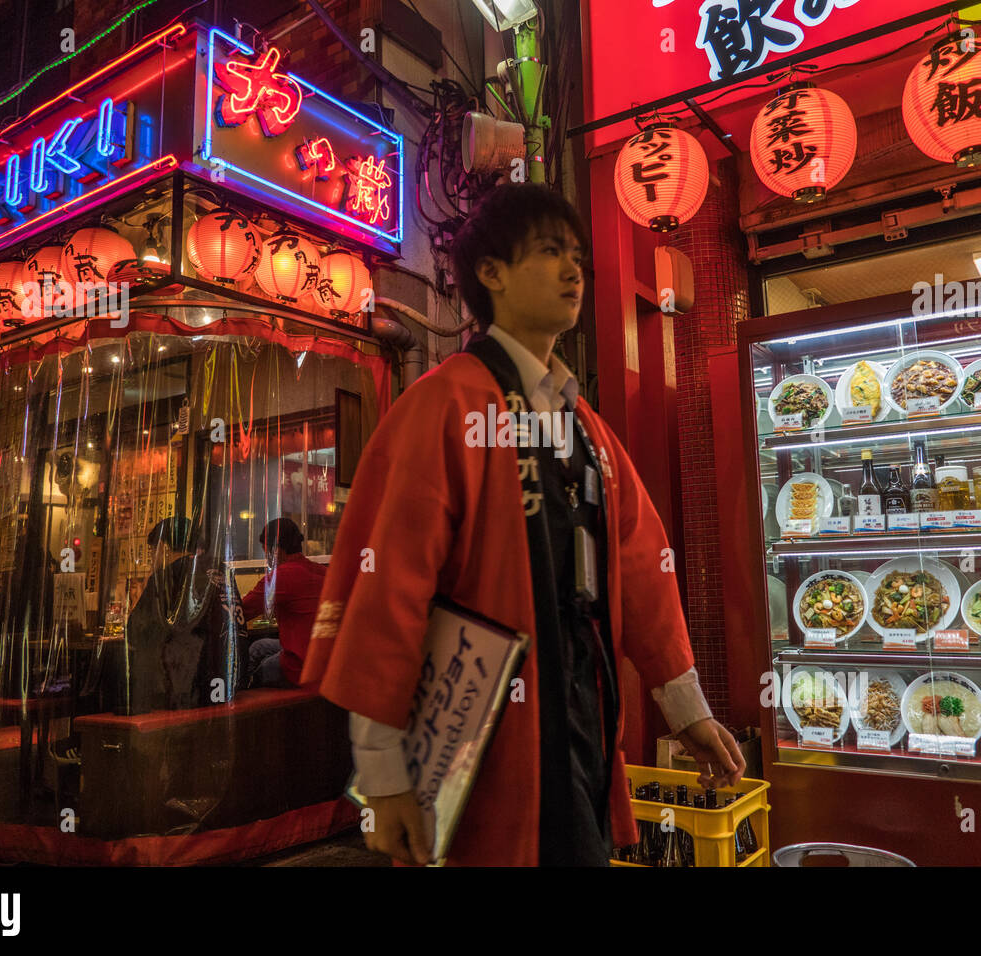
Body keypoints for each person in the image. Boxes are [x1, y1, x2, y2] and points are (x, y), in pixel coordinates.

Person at [301, 182, 745, 867]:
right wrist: (383, 777)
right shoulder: (443, 406)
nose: (574, 270)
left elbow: (641, 565)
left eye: (575, 254)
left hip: (584, 722)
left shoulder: (588, 430)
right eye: (548, 251)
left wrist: (687, 709)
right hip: (482, 747)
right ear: (491, 273)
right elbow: (389, 591)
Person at [123, 517, 246, 713]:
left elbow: (134, 632)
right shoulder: (221, 570)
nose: (151, 558)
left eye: (151, 551)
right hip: (230, 681)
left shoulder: (168, 576)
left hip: (192, 690)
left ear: (163, 547)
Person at [240, 517, 327, 687]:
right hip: (327, 660)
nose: (267, 560)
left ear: (276, 550)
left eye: (266, 553)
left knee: (261, 669)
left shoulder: (280, 577)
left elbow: (242, 611)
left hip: (300, 666)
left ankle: (249, 693)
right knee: (259, 647)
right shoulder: (323, 571)